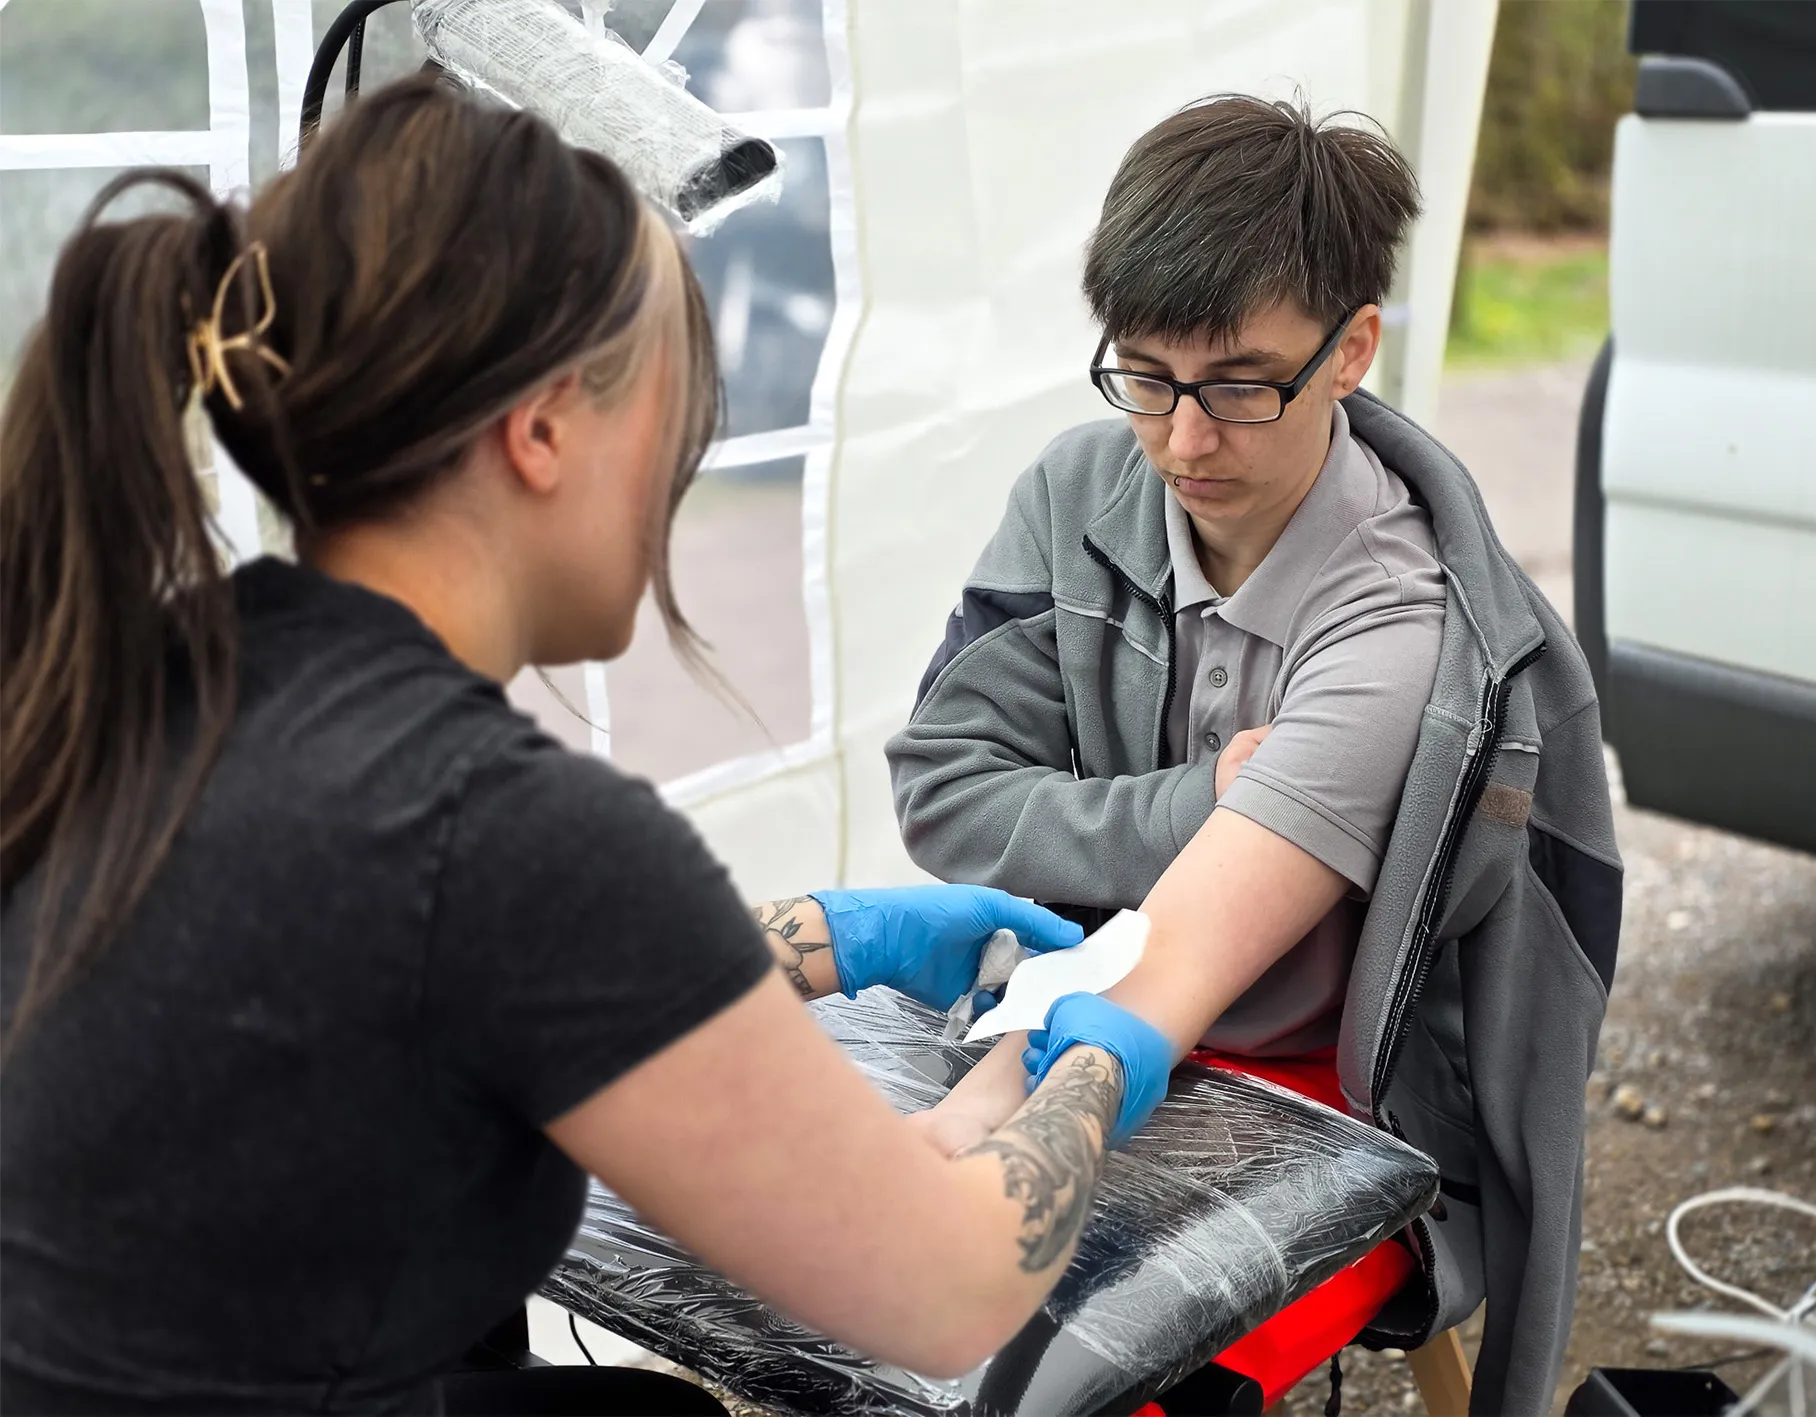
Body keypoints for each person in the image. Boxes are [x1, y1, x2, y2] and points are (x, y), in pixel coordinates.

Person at [0, 77, 1172, 1415]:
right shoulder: (498, 829)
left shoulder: (139, 674)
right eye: (674, 417)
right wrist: (1093, 1063)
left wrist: (812, 936)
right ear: (545, 426)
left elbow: (416, 963)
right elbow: (947, 1293)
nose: (680, 474)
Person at [888, 96, 1620, 1414]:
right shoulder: (1074, 495)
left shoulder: (1404, 622)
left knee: (1101, 1377)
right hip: (1082, 1003)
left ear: (1350, 352)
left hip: (1329, 1093)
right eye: (1146, 378)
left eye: (1237, 385)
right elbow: (943, 795)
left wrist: (945, 1148)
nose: (1181, 441)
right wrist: (1183, 807)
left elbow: (1167, 972)